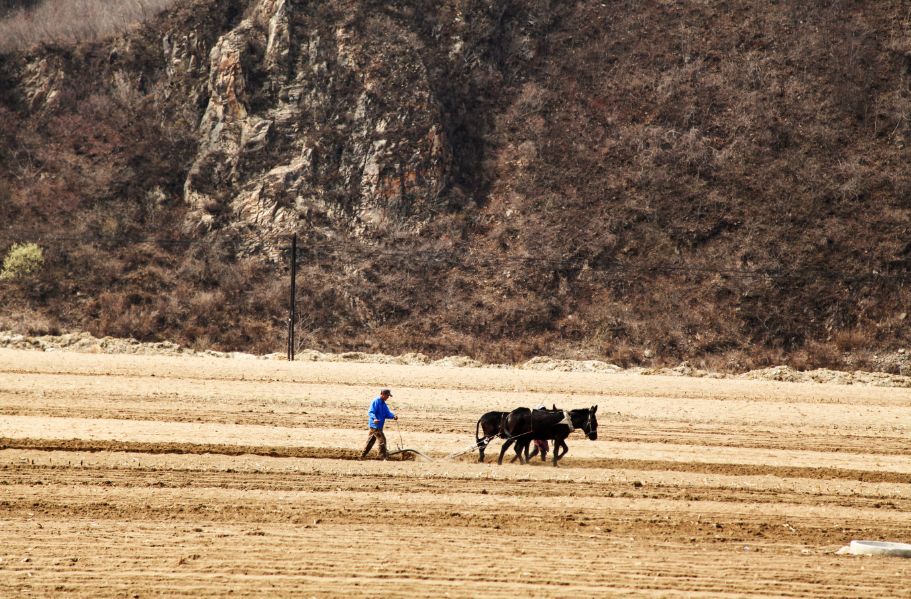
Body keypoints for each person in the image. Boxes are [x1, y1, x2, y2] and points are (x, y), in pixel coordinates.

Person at [360, 388, 397, 460]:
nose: (388, 397)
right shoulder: (376, 401)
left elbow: (387, 413)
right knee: (382, 440)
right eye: (387, 395)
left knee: (370, 441)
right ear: (382, 394)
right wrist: (374, 418)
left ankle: (362, 456)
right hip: (374, 425)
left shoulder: (383, 404)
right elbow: (370, 412)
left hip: (379, 426)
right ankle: (382, 456)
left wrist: (393, 416)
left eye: (388, 396)